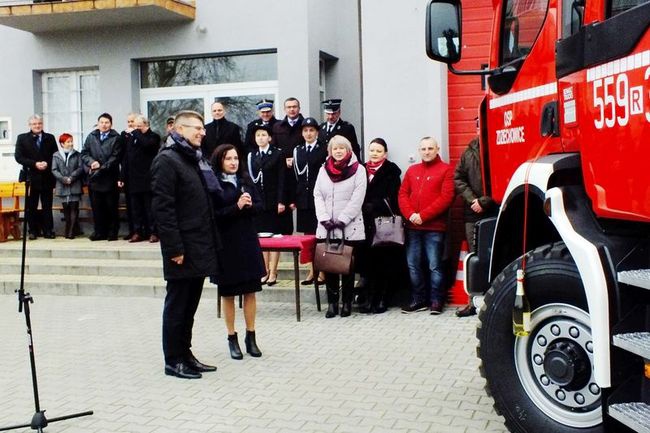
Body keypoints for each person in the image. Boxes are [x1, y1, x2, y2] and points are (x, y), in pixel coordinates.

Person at [151, 110, 221, 379]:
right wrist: (174, 249)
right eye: (197, 128)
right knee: (178, 305)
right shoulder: (167, 161)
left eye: (203, 128)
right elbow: (163, 210)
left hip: (199, 243)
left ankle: (186, 354)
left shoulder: (192, 158)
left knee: (190, 305)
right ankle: (173, 359)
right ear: (179, 130)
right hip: (182, 248)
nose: (202, 132)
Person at [211, 144, 265, 360]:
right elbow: (215, 214)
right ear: (220, 161)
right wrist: (237, 207)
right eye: (228, 159)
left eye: (235, 158)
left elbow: (261, 206)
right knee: (229, 294)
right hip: (227, 246)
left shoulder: (246, 181)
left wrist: (250, 205)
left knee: (250, 291)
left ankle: (250, 337)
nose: (233, 162)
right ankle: (231, 337)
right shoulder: (214, 184)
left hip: (248, 243)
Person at [398, 137, 455, 315]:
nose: (427, 151)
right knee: (413, 264)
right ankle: (419, 300)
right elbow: (402, 194)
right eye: (423, 149)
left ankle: (437, 301)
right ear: (419, 151)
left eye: (430, 148)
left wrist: (423, 216)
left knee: (434, 265)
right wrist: (411, 215)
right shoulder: (412, 170)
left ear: (437, 149)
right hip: (413, 227)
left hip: (434, 228)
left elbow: (446, 198)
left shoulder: (446, 170)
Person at [314, 135, 367, 318]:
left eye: (341, 148)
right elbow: (318, 194)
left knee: (347, 267)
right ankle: (332, 304)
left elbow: (357, 198)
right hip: (327, 227)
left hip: (349, 226)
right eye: (334, 148)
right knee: (329, 266)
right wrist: (324, 218)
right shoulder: (323, 170)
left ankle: (346, 304)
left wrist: (343, 219)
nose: (338, 151)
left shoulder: (358, 170)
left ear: (348, 150)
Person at [359, 138, 407, 314]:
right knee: (367, 264)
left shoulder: (391, 172)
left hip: (383, 225)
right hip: (364, 224)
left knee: (383, 263)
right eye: (372, 150)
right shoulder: (361, 170)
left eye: (378, 151)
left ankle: (382, 299)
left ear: (385, 154)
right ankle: (368, 299)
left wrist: (375, 204)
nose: (374, 154)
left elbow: (394, 198)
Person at [454, 123, 496, 317]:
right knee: (474, 258)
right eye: (479, 126)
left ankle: (494, 304)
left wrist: (485, 201)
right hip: (472, 213)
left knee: (495, 256)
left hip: (495, 211)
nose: (482, 130)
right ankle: (473, 303)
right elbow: (458, 179)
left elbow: (503, 178)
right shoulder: (468, 152)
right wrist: (473, 200)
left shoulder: (498, 146)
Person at [246, 124, 290, 286]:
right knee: (262, 238)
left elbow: (282, 179)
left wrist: (281, 201)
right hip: (259, 203)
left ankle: (273, 271)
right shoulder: (252, 156)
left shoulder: (277, 154)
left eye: (264, 135)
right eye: (258, 135)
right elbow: (250, 181)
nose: (261, 138)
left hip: (273, 202)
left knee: (274, 238)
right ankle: (263, 270)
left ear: (270, 137)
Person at [290, 117, 328, 285]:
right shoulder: (298, 150)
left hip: (319, 199)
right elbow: (295, 177)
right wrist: (293, 198)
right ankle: (312, 271)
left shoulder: (324, 149)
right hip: (303, 199)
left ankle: (323, 273)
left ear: (317, 132)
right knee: (308, 238)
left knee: (321, 237)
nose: (308, 133)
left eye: (311, 130)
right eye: (305, 130)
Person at [14, 115, 58, 239]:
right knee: (31, 206)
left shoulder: (50, 138)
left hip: (47, 177)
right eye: (34, 124)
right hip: (31, 177)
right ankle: (32, 231)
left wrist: (46, 163)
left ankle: (48, 230)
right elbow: (19, 157)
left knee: (47, 205)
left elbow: (55, 155)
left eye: (39, 123)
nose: (37, 126)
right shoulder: (22, 138)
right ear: (30, 125)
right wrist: (34, 164)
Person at [81, 113, 124, 241]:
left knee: (111, 207)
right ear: (98, 123)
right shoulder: (91, 136)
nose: (104, 125)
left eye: (107, 122)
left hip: (109, 178)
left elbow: (115, 157)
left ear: (111, 124)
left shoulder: (116, 138)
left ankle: (112, 232)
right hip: (94, 179)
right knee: (97, 207)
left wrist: (101, 168)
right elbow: (84, 153)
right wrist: (91, 162)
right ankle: (99, 232)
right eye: (102, 122)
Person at [124, 115, 161, 243]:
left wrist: (136, 132)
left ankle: (153, 232)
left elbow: (147, 145)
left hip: (148, 178)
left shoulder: (153, 137)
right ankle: (138, 231)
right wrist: (122, 176)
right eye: (135, 127)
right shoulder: (132, 138)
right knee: (136, 209)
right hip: (134, 178)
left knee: (149, 208)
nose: (136, 129)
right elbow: (127, 157)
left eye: (139, 126)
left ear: (146, 125)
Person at [51, 133, 84, 239]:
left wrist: (72, 177)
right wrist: (63, 179)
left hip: (75, 185)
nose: (71, 144)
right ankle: (70, 228)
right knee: (66, 209)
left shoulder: (77, 154)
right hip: (62, 185)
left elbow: (80, 168)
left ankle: (70, 232)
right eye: (68, 142)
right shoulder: (56, 155)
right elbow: (54, 170)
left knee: (74, 208)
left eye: (71, 141)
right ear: (62, 144)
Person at [119, 113, 138, 240]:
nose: (130, 124)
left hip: (141, 177)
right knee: (130, 206)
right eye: (128, 121)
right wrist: (121, 177)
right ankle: (132, 231)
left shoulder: (144, 135)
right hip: (129, 175)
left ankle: (145, 231)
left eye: (132, 121)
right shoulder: (124, 135)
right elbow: (123, 156)